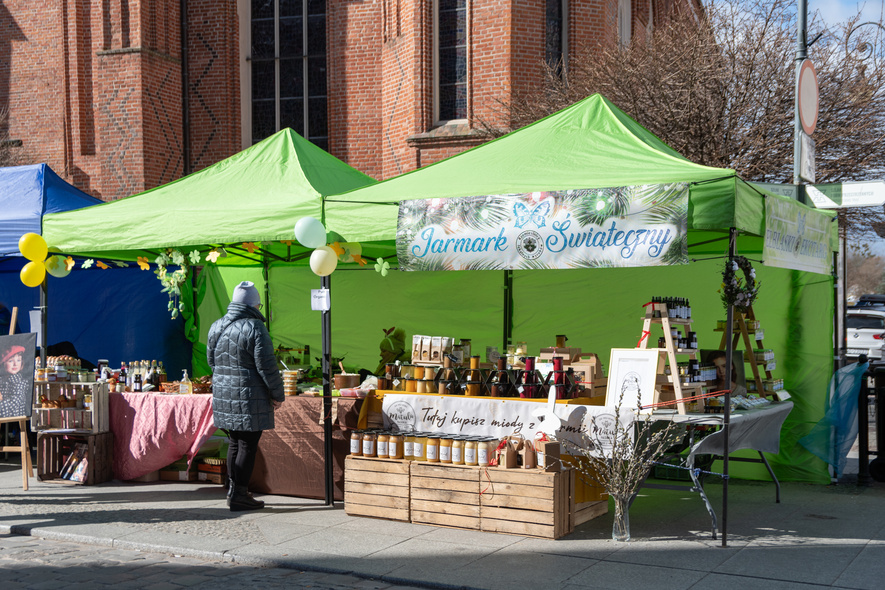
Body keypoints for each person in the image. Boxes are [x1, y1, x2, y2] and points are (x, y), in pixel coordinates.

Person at [207, 281, 284, 511]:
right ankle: (240, 494)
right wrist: (277, 394)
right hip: (249, 396)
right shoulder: (255, 327)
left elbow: (212, 362)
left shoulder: (216, 326)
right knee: (248, 444)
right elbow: (267, 367)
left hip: (223, 395)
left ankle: (233, 491)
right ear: (253, 304)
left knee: (234, 441)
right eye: (258, 303)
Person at [0, 344, 29, 418]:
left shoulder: (21, 383)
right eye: (10, 361)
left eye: (18, 360)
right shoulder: (1, 380)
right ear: (4, 363)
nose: (15, 364)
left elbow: (12, 406)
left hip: (14, 421)